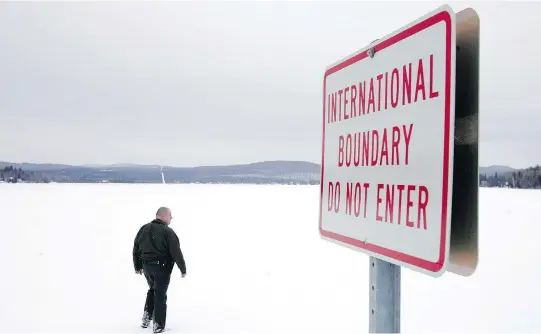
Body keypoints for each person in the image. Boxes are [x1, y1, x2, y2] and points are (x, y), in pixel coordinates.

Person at [132, 207, 187, 333]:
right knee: (160, 295)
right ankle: (158, 325)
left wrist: (137, 266)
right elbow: (176, 252)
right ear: (162, 216)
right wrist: (183, 269)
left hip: (147, 267)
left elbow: (136, 248)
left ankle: (146, 319)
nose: (171, 218)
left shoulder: (144, 229)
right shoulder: (167, 231)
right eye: (170, 216)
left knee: (152, 290)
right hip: (161, 267)